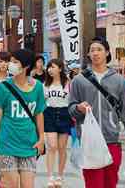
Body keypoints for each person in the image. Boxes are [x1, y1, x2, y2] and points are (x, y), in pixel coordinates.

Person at [68, 37, 125, 188]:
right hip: (89, 141)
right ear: (88, 54)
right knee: (93, 184)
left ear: (107, 53)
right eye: (92, 50)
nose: (95, 53)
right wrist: (79, 108)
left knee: (110, 183)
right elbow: (71, 109)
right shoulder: (79, 80)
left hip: (111, 140)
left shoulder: (119, 81)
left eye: (99, 49)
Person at [0, 49, 46, 188]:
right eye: (10, 61)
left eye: (14, 62)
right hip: (7, 144)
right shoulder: (3, 87)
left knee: (28, 185)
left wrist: (41, 138)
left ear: (26, 66)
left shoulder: (38, 88)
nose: (9, 64)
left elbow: (39, 114)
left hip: (29, 144)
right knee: (11, 184)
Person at [42, 59, 71, 187]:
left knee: (62, 148)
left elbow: (73, 100)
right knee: (52, 146)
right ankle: (50, 176)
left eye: (52, 67)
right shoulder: (45, 84)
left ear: (60, 68)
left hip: (64, 114)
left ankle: (60, 175)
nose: (49, 70)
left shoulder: (68, 83)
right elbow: (41, 102)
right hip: (49, 114)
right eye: (48, 67)